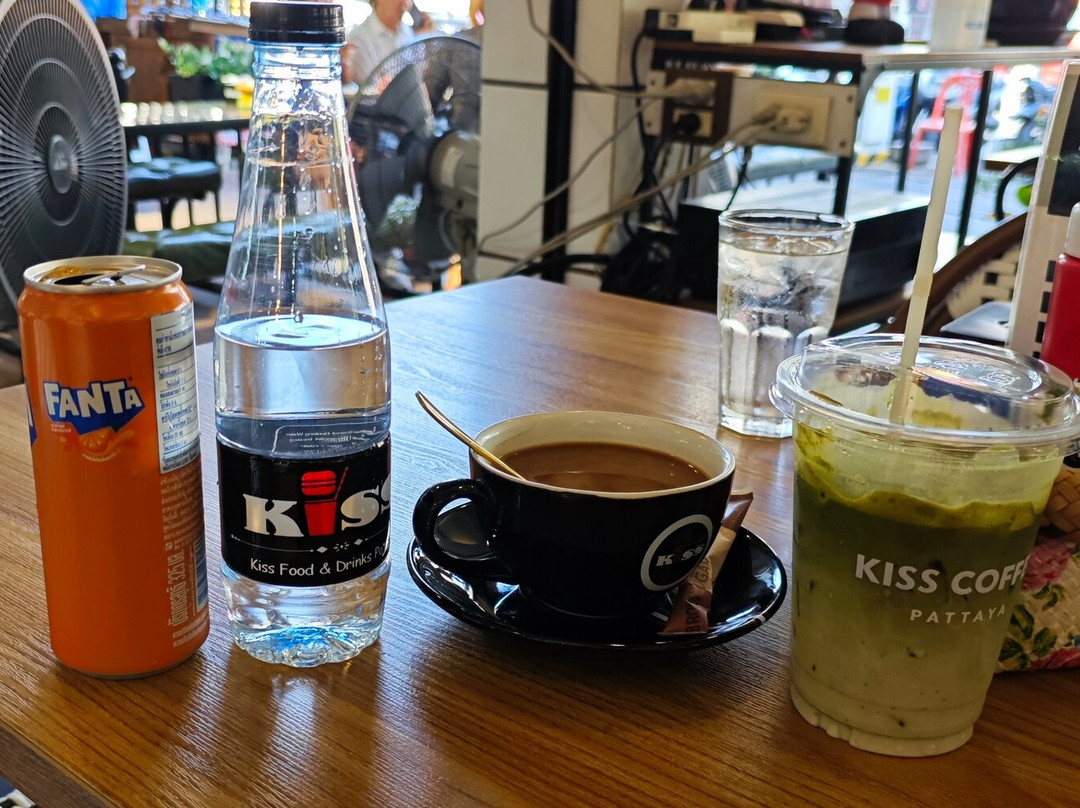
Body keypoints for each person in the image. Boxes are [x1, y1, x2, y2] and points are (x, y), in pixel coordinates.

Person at [344, 0, 432, 86]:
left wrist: (426, 37)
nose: (406, 3)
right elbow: (370, 90)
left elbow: (422, 78)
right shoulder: (359, 39)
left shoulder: (409, 33)